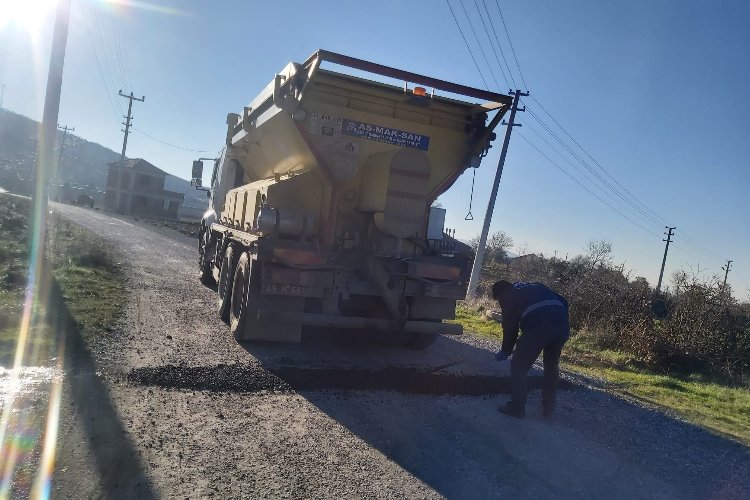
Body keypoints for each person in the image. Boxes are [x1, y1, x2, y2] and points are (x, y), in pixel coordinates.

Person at [492, 280, 570, 419]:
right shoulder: (534, 286)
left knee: (519, 366)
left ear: (500, 294)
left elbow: (510, 326)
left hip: (539, 327)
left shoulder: (508, 295)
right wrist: (560, 320)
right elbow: (563, 301)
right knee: (551, 368)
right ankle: (548, 410)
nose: (500, 303)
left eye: (498, 300)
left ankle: (517, 408)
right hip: (561, 327)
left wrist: (506, 350)